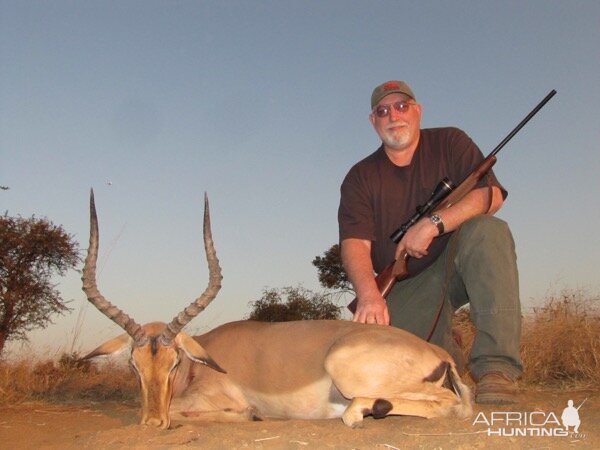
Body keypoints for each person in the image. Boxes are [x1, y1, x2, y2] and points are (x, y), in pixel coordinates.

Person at [338, 80, 523, 404]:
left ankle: (495, 368)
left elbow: (491, 197)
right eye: (383, 111)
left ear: (417, 111)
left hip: (456, 263)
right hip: (406, 283)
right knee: (379, 372)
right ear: (373, 121)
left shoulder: (451, 141)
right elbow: (354, 243)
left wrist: (434, 223)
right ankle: (447, 348)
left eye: (401, 106)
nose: (393, 115)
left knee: (488, 230)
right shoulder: (360, 176)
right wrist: (369, 296)